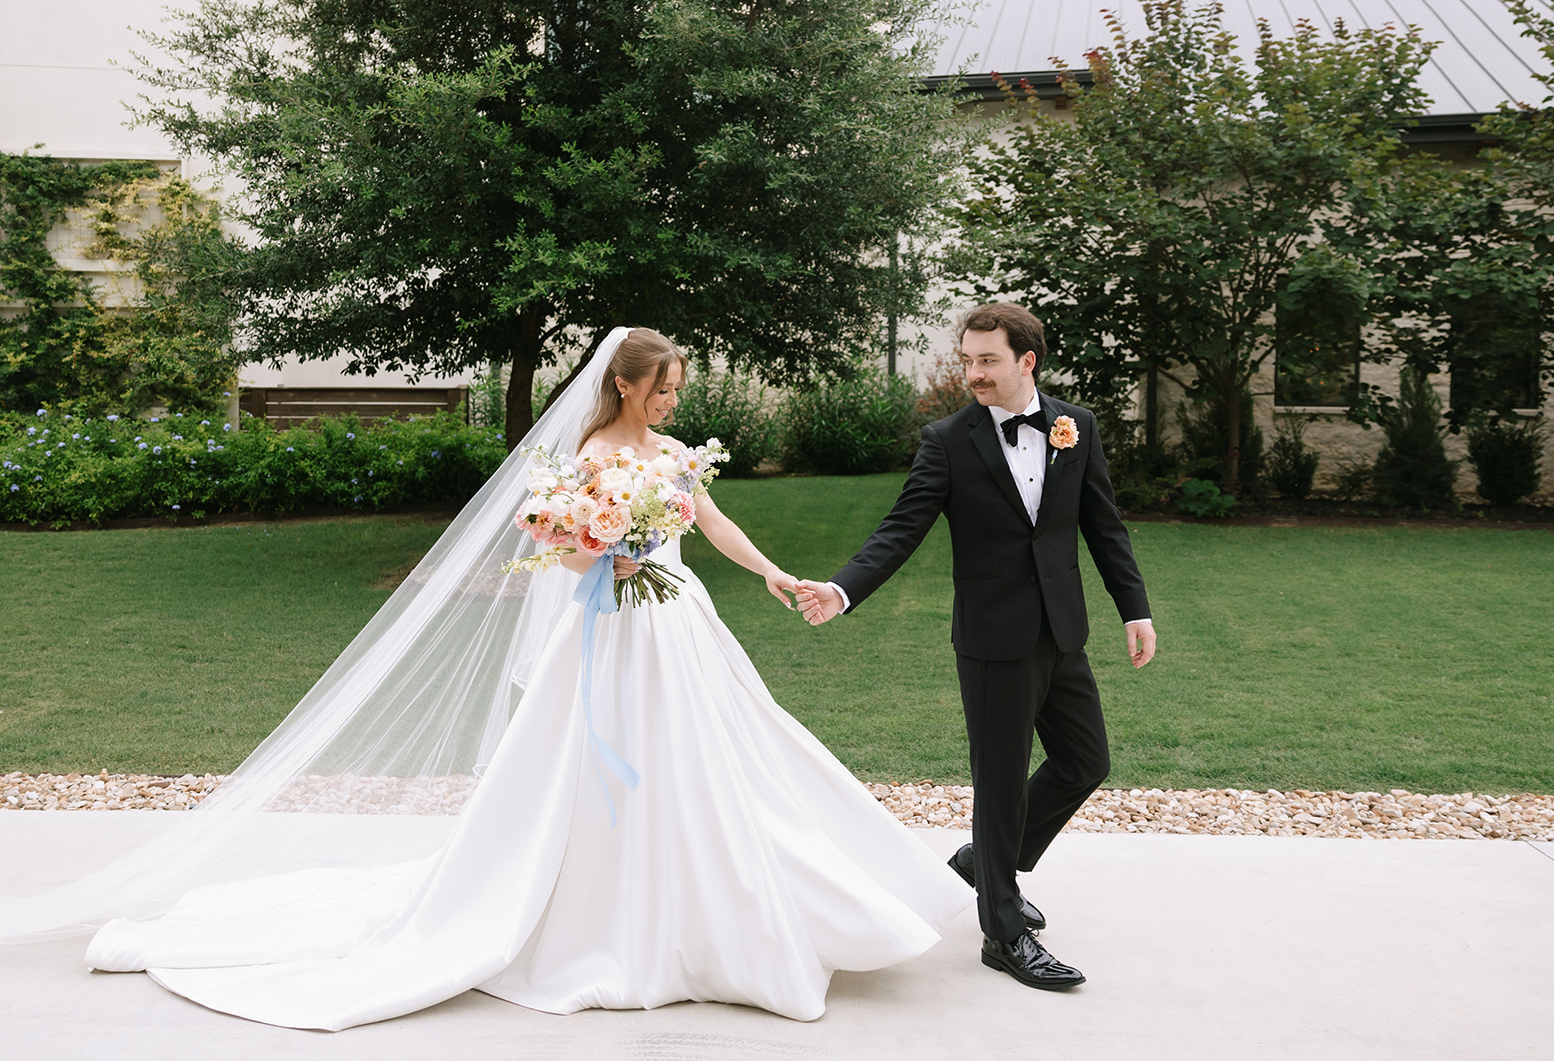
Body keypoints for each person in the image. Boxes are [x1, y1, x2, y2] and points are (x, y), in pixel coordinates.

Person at [2, 327, 969, 1030]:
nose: (674, 402)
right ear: (626, 385)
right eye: (663, 389)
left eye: (678, 389)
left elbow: (709, 523)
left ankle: (718, 908)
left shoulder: (674, 455)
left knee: (716, 759)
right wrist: (607, 548)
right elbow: (569, 554)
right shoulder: (589, 457)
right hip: (613, 633)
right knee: (597, 769)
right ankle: (601, 914)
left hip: (679, 624)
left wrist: (773, 573)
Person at [797, 303, 1156, 993]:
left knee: (1086, 761)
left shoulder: (1075, 426)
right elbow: (901, 528)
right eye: (967, 360)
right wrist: (842, 590)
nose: (973, 374)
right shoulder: (948, 440)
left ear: (1027, 361)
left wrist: (1133, 608)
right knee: (1000, 781)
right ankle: (1003, 931)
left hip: (1063, 629)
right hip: (993, 636)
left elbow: (1104, 525)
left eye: (987, 360)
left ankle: (982, 864)